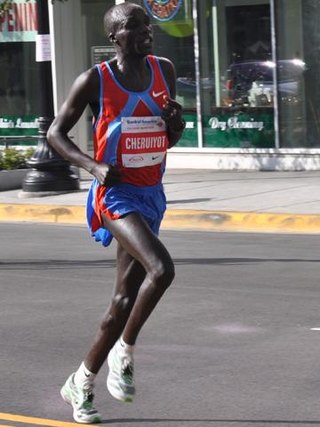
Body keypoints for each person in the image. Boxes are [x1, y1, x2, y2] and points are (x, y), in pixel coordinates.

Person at [47, 2, 185, 424]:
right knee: (162, 269)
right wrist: (92, 165)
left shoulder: (164, 70)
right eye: (134, 26)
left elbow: (169, 136)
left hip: (151, 194)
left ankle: (81, 382)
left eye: (146, 23)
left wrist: (176, 124)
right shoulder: (95, 80)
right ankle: (125, 352)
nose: (146, 30)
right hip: (115, 197)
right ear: (114, 37)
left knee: (122, 300)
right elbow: (55, 133)